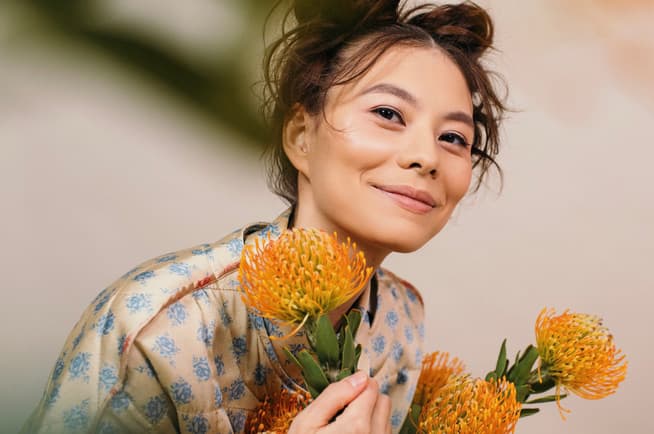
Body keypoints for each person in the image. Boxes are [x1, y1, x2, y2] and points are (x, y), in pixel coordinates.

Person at [22, 0, 505, 432]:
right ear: (300, 136)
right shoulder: (161, 329)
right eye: (388, 113)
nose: (427, 156)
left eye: (454, 138)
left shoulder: (399, 319)